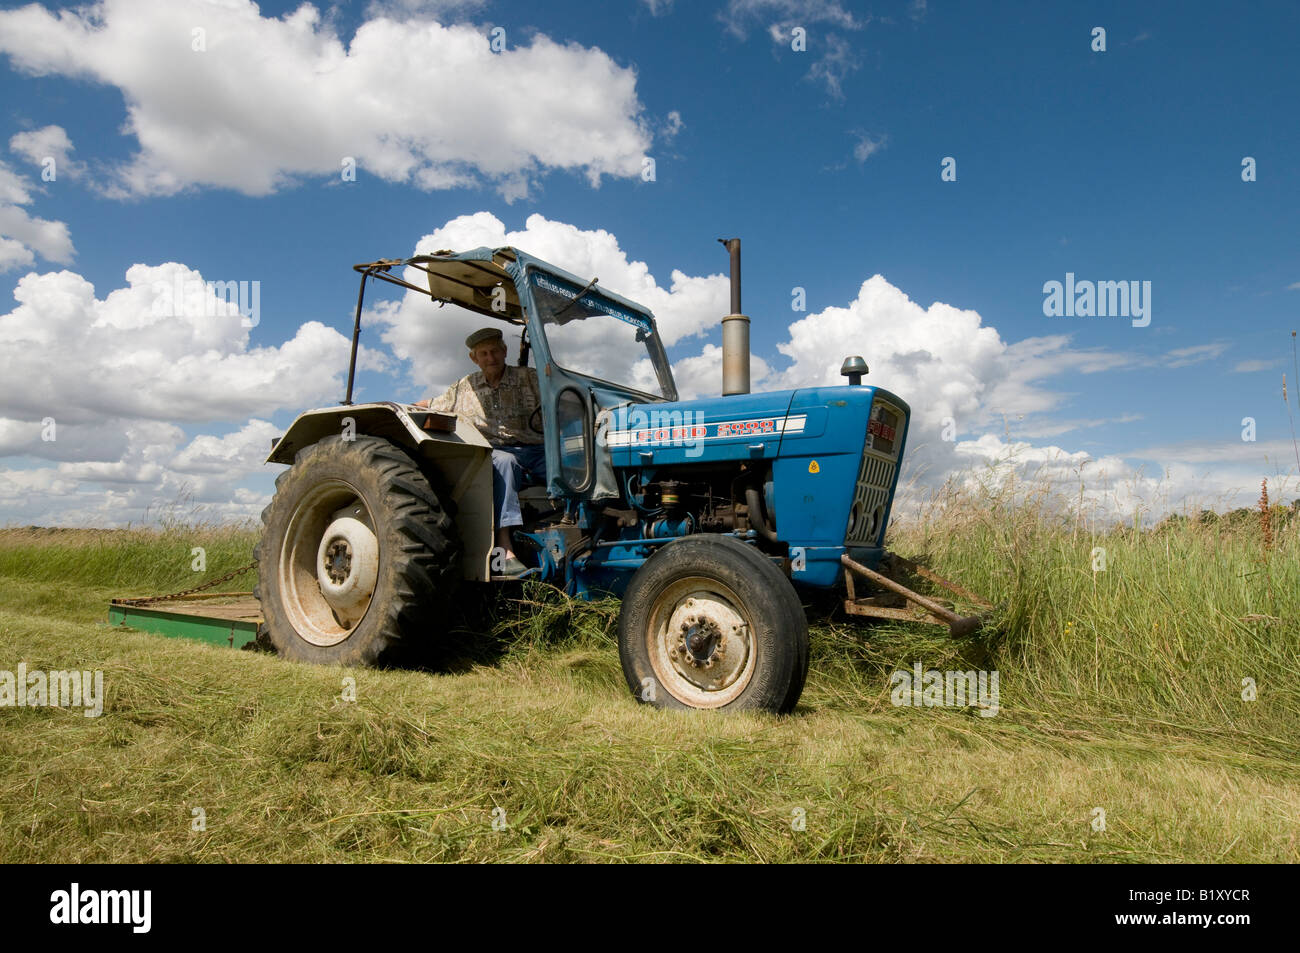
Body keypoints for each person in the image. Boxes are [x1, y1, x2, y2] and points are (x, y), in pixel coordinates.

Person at [415, 327, 546, 575]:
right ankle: (505, 549)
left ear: (505, 351)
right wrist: (397, 408)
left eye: (495, 351)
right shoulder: (465, 387)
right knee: (505, 462)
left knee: (571, 464)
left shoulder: (529, 378)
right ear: (474, 358)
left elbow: (559, 396)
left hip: (535, 449)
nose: (490, 358)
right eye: (483, 354)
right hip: (494, 452)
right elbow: (433, 404)